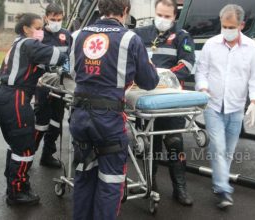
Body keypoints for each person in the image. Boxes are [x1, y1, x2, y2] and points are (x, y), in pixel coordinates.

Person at [69, 0, 159, 219]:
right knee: (110, 181)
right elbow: (149, 81)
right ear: (126, 11)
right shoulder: (130, 38)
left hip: (79, 116)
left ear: (100, 8)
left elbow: (73, 72)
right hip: (108, 120)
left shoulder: (77, 35)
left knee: (83, 175)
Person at [0, 13, 67, 206]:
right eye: (39, 27)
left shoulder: (18, 44)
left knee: (15, 143)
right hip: (15, 97)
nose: (42, 31)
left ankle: (12, 180)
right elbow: (59, 56)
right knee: (25, 146)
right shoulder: (29, 45)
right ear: (26, 29)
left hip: (2, 95)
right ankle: (17, 192)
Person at [195, 4, 255, 209]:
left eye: (231, 26)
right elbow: (201, 72)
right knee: (218, 147)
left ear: (241, 25)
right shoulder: (211, 45)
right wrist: (203, 88)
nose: (226, 30)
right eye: (224, 26)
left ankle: (219, 184)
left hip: (236, 107)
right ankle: (224, 190)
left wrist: (253, 102)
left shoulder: (253, 49)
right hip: (213, 105)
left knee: (228, 151)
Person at [131, 0, 195, 206]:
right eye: (160, 14)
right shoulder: (140, 34)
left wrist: (159, 77)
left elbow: (186, 66)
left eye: (167, 16)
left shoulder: (183, 36)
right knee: (150, 145)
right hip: (146, 98)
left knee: (174, 143)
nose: (162, 19)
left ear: (174, 17)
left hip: (170, 100)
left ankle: (180, 188)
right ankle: (151, 185)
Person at [34, 3, 72, 168]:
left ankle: (47, 155)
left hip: (60, 85)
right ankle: (27, 156)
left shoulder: (66, 35)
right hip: (43, 85)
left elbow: (70, 57)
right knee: (41, 123)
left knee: (56, 122)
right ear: (46, 18)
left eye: (59, 19)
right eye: (53, 19)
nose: (56, 22)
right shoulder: (39, 35)